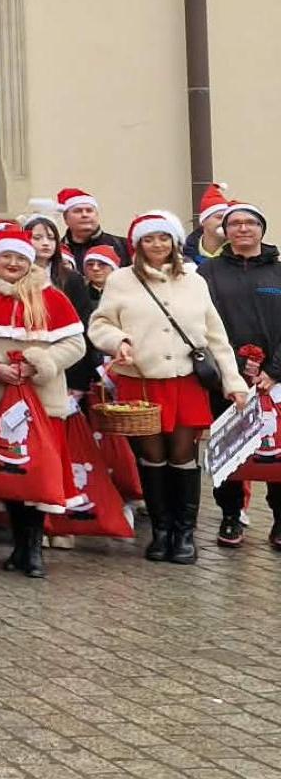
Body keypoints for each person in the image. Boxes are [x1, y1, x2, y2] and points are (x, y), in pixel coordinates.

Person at [88, 211, 249, 565]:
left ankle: (184, 532)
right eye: (149, 239)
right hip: (141, 381)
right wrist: (118, 341)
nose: (157, 244)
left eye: (163, 238)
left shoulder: (194, 280)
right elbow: (99, 324)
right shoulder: (120, 280)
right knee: (152, 456)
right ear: (138, 244)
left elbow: (215, 336)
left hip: (185, 381)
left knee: (183, 456)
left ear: (174, 241)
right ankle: (161, 531)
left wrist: (233, 382)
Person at [0, 225, 87, 579]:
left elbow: (75, 344)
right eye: (6, 257)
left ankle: (31, 549)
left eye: (20, 258)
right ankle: (19, 544)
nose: (13, 264)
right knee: (6, 472)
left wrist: (40, 363)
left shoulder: (51, 296)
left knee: (36, 475)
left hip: (42, 400)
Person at [199, 202, 281, 548]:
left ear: (262, 229)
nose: (243, 229)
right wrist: (231, 367)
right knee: (228, 448)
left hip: (275, 380)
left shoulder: (278, 272)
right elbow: (201, 323)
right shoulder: (207, 273)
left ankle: (280, 519)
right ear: (226, 231)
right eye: (234, 224)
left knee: (277, 451)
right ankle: (231, 515)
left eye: (250, 223)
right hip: (227, 377)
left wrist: (274, 371)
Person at [57, 187, 130, 270]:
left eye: (89, 210)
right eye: (78, 211)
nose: (85, 215)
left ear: (97, 215)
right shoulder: (57, 251)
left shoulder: (124, 246)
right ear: (65, 218)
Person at [184, 184, 232, 265]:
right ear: (203, 221)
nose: (225, 222)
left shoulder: (240, 251)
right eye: (219, 217)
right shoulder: (184, 254)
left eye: (228, 218)